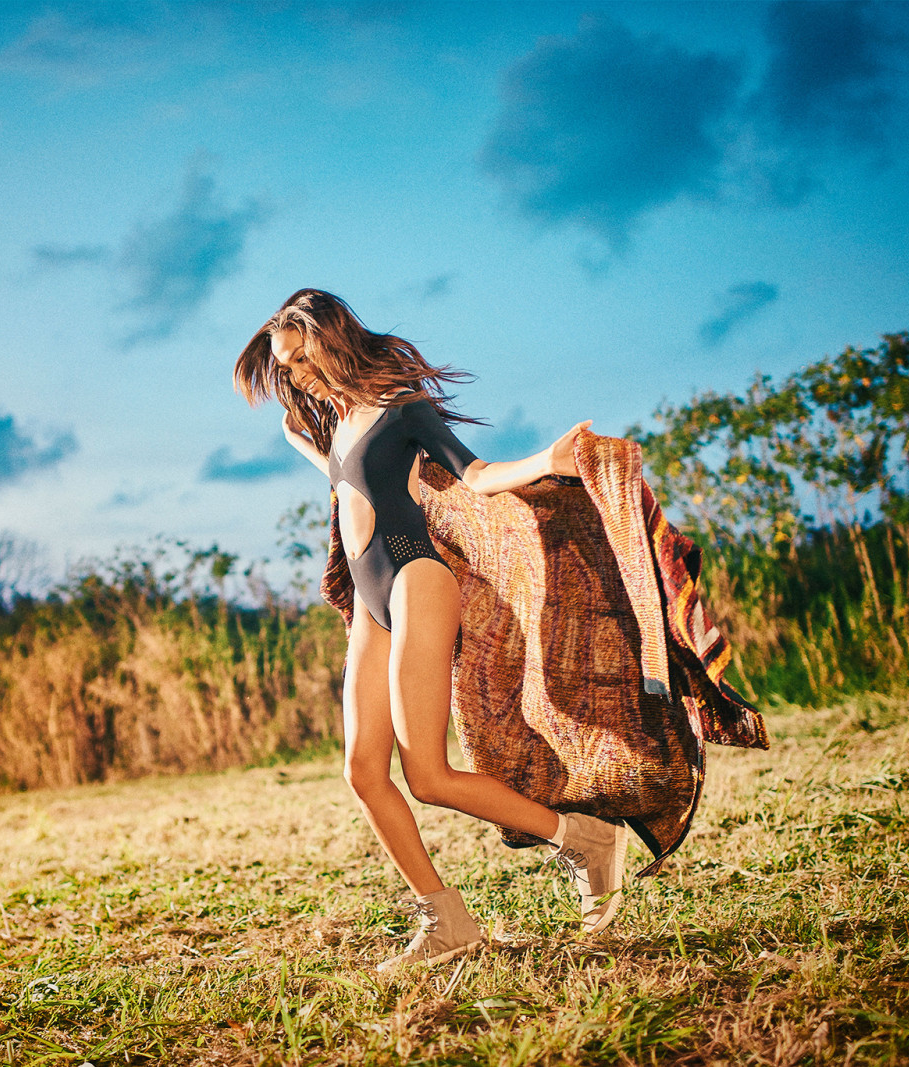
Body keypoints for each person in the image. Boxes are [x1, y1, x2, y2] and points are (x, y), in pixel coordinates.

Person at [234, 289, 625, 972]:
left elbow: (475, 475)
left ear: (329, 339)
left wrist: (545, 458)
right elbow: (333, 470)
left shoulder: (402, 407)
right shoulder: (335, 426)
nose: (293, 373)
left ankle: (585, 837)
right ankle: (445, 918)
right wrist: (301, 434)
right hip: (371, 599)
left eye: (299, 357)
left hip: (416, 576)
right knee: (363, 772)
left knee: (427, 774)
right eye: (285, 366)